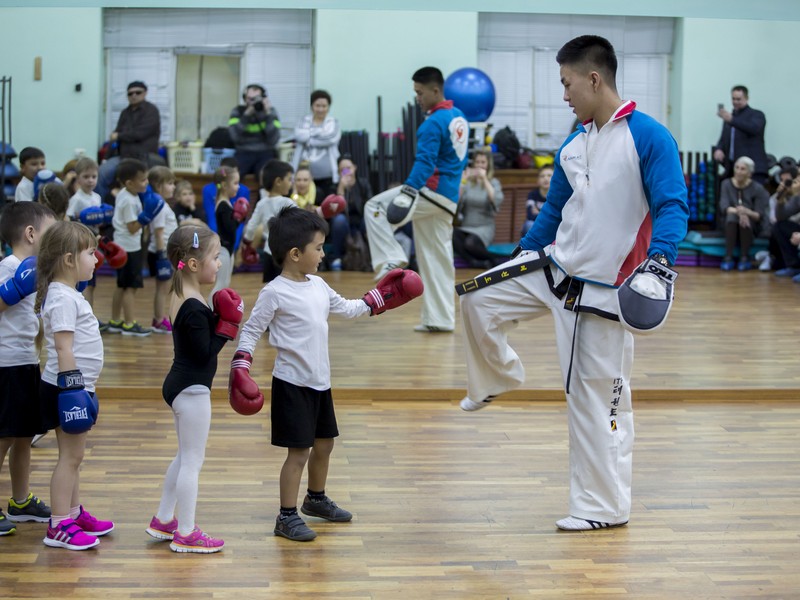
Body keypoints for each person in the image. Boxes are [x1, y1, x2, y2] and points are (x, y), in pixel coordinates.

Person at [457, 35, 688, 531]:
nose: (563, 95)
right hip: (555, 267)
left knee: (598, 403)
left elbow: (673, 206)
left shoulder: (648, 137)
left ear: (593, 79)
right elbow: (557, 210)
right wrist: (521, 254)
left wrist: (660, 261)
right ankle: (496, 376)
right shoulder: (576, 140)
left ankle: (602, 508)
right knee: (478, 296)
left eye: (566, 84)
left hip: (606, 289)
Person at [228, 206, 422, 542]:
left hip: (321, 381)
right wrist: (241, 366)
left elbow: (347, 308)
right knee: (298, 452)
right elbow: (250, 330)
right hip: (291, 383)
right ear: (294, 253)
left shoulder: (317, 284)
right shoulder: (274, 292)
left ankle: (315, 499)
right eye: (318, 248)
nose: (322, 253)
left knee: (325, 444)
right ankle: (285, 517)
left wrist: (382, 297)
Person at [146, 225, 242, 553]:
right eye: (215, 258)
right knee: (193, 461)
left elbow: (194, 341)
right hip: (192, 390)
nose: (219, 264)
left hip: (181, 384)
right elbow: (204, 352)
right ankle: (186, 532)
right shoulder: (192, 303)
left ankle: (163, 519)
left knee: (184, 456)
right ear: (195, 264)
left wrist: (217, 318)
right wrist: (227, 327)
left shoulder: (184, 294)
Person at [364, 66, 469, 333]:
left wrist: (409, 190)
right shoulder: (459, 117)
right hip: (449, 198)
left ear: (436, 90)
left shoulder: (432, 123)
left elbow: (425, 163)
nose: (418, 99)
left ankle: (391, 257)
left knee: (373, 206)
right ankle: (441, 320)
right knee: (438, 260)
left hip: (430, 193)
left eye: (420, 93)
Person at [35, 220, 114, 550]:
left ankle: (73, 512)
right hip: (68, 388)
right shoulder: (63, 298)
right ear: (69, 259)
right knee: (70, 458)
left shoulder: (67, 294)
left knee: (74, 457)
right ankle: (58, 526)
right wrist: (73, 392)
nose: (97, 260)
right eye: (91, 253)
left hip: (75, 385)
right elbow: (63, 347)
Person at [0, 201, 57, 536]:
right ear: (31, 233)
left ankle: (20, 501)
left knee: (23, 435)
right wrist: (13, 289)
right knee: (4, 436)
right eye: (50, 233)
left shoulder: (36, 269)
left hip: (25, 362)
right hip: (5, 363)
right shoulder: (9, 266)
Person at [108, 159, 163, 336]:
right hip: (129, 248)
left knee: (121, 285)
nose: (147, 183)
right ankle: (130, 324)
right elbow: (132, 228)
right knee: (130, 287)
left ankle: (115, 321)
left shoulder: (126, 194)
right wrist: (147, 216)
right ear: (130, 183)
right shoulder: (130, 201)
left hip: (121, 245)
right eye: (143, 180)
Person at [66, 157, 113, 311]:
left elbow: (98, 222)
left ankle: (90, 314)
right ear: (77, 177)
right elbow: (68, 220)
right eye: (86, 177)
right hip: (80, 245)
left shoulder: (97, 197)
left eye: (94, 177)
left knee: (92, 282)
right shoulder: (76, 199)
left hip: (94, 244)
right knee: (82, 283)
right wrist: (79, 217)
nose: (90, 180)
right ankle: (80, 314)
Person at [242, 160, 296, 284]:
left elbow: (251, 227)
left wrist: (247, 243)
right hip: (284, 254)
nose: (291, 183)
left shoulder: (261, 204)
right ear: (278, 181)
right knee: (286, 285)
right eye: (289, 179)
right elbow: (300, 224)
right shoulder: (288, 203)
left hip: (268, 252)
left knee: (270, 286)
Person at [453, 149, 504, 269]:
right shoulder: (468, 182)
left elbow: (496, 199)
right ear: (473, 164)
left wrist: (484, 179)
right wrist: (462, 182)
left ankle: (494, 259)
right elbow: (456, 202)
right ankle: (474, 262)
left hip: (483, 228)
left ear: (488, 165)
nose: (480, 165)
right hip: (466, 226)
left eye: (483, 162)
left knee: (470, 243)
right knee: (451, 234)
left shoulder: (493, 182)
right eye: (477, 162)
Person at [718, 156, 770, 271]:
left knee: (746, 220)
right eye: (737, 168)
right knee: (732, 217)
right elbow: (724, 207)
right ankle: (728, 257)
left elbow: (758, 215)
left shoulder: (758, 188)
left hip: (752, 222)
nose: (739, 171)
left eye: (743, 169)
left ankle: (744, 257)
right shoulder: (726, 184)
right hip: (730, 221)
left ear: (750, 173)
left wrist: (746, 213)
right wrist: (740, 212)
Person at [713, 86, 768, 183]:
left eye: (738, 99)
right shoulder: (730, 118)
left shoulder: (757, 115)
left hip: (754, 170)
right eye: (733, 99)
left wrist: (732, 120)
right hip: (733, 168)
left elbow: (753, 128)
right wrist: (719, 149)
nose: (735, 102)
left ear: (747, 98)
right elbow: (723, 138)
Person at [291, 90, 341, 197]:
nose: (321, 109)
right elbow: (299, 135)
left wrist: (308, 137)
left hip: (327, 175)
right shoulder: (303, 120)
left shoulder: (333, 122)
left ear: (328, 107)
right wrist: (320, 132)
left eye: (324, 106)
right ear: (312, 106)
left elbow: (331, 138)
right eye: (317, 105)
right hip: (303, 176)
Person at [146, 166, 178, 333]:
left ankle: (159, 318)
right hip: (161, 253)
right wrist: (162, 256)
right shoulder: (159, 205)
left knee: (164, 288)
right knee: (162, 288)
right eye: (170, 183)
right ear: (159, 185)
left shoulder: (161, 204)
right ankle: (158, 319)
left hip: (165, 252)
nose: (173, 187)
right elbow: (159, 234)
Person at [228, 84, 281, 178]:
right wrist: (246, 116)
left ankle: (263, 192)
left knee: (267, 176)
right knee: (231, 175)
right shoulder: (237, 111)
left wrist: (268, 115)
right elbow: (234, 137)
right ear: (244, 99)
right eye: (250, 99)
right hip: (243, 152)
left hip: (265, 152)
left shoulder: (271, 112)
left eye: (256, 99)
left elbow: (273, 140)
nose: (252, 102)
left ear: (263, 98)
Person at [209, 167, 247, 299]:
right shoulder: (223, 205)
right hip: (223, 249)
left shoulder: (226, 203)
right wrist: (239, 217)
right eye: (235, 183)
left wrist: (240, 217)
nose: (238, 187)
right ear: (224, 185)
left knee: (225, 283)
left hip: (227, 248)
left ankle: (217, 312)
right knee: (221, 284)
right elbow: (230, 228)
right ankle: (210, 310)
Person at [334, 155, 373, 272]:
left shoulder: (363, 184)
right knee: (339, 220)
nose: (346, 172)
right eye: (342, 169)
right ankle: (337, 258)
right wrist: (341, 190)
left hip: (361, 221)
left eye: (348, 168)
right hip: (345, 223)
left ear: (355, 168)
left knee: (369, 220)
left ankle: (371, 258)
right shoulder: (335, 186)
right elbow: (335, 210)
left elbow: (369, 206)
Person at [111, 81, 162, 163]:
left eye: (138, 92)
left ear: (145, 93)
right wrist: (105, 158)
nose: (133, 95)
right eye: (130, 94)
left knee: (130, 172)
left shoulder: (151, 110)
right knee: (103, 171)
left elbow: (140, 134)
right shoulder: (125, 112)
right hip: (124, 156)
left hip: (145, 156)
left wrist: (119, 136)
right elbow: (115, 135)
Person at [521, 165, 553, 237]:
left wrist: (539, 213)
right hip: (536, 225)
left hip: (552, 226)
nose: (546, 178)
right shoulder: (532, 195)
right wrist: (547, 215)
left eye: (549, 175)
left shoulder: (557, 196)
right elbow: (530, 215)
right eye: (542, 176)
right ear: (538, 180)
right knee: (529, 224)